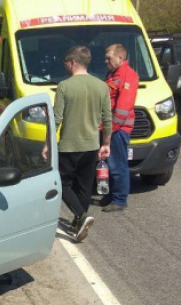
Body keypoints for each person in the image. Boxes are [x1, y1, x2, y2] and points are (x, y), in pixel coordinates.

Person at [52, 46, 112, 243]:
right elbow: (108, 119)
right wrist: (106, 144)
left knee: (62, 183)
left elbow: (57, 118)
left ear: (73, 63)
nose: (66, 67)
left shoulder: (64, 86)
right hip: (91, 145)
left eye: (66, 64)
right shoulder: (102, 86)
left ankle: (81, 215)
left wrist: (48, 142)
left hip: (69, 145)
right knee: (85, 187)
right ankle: (79, 223)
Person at [101, 43, 139, 212]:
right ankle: (111, 195)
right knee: (109, 164)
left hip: (118, 129)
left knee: (117, 165)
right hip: (109, 128)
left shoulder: (128, 75)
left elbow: (122, 108)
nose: (105, 61)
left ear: (120, 58)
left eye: (109, 58)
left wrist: (110, 130)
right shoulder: (112, 74)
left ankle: (119, 199)